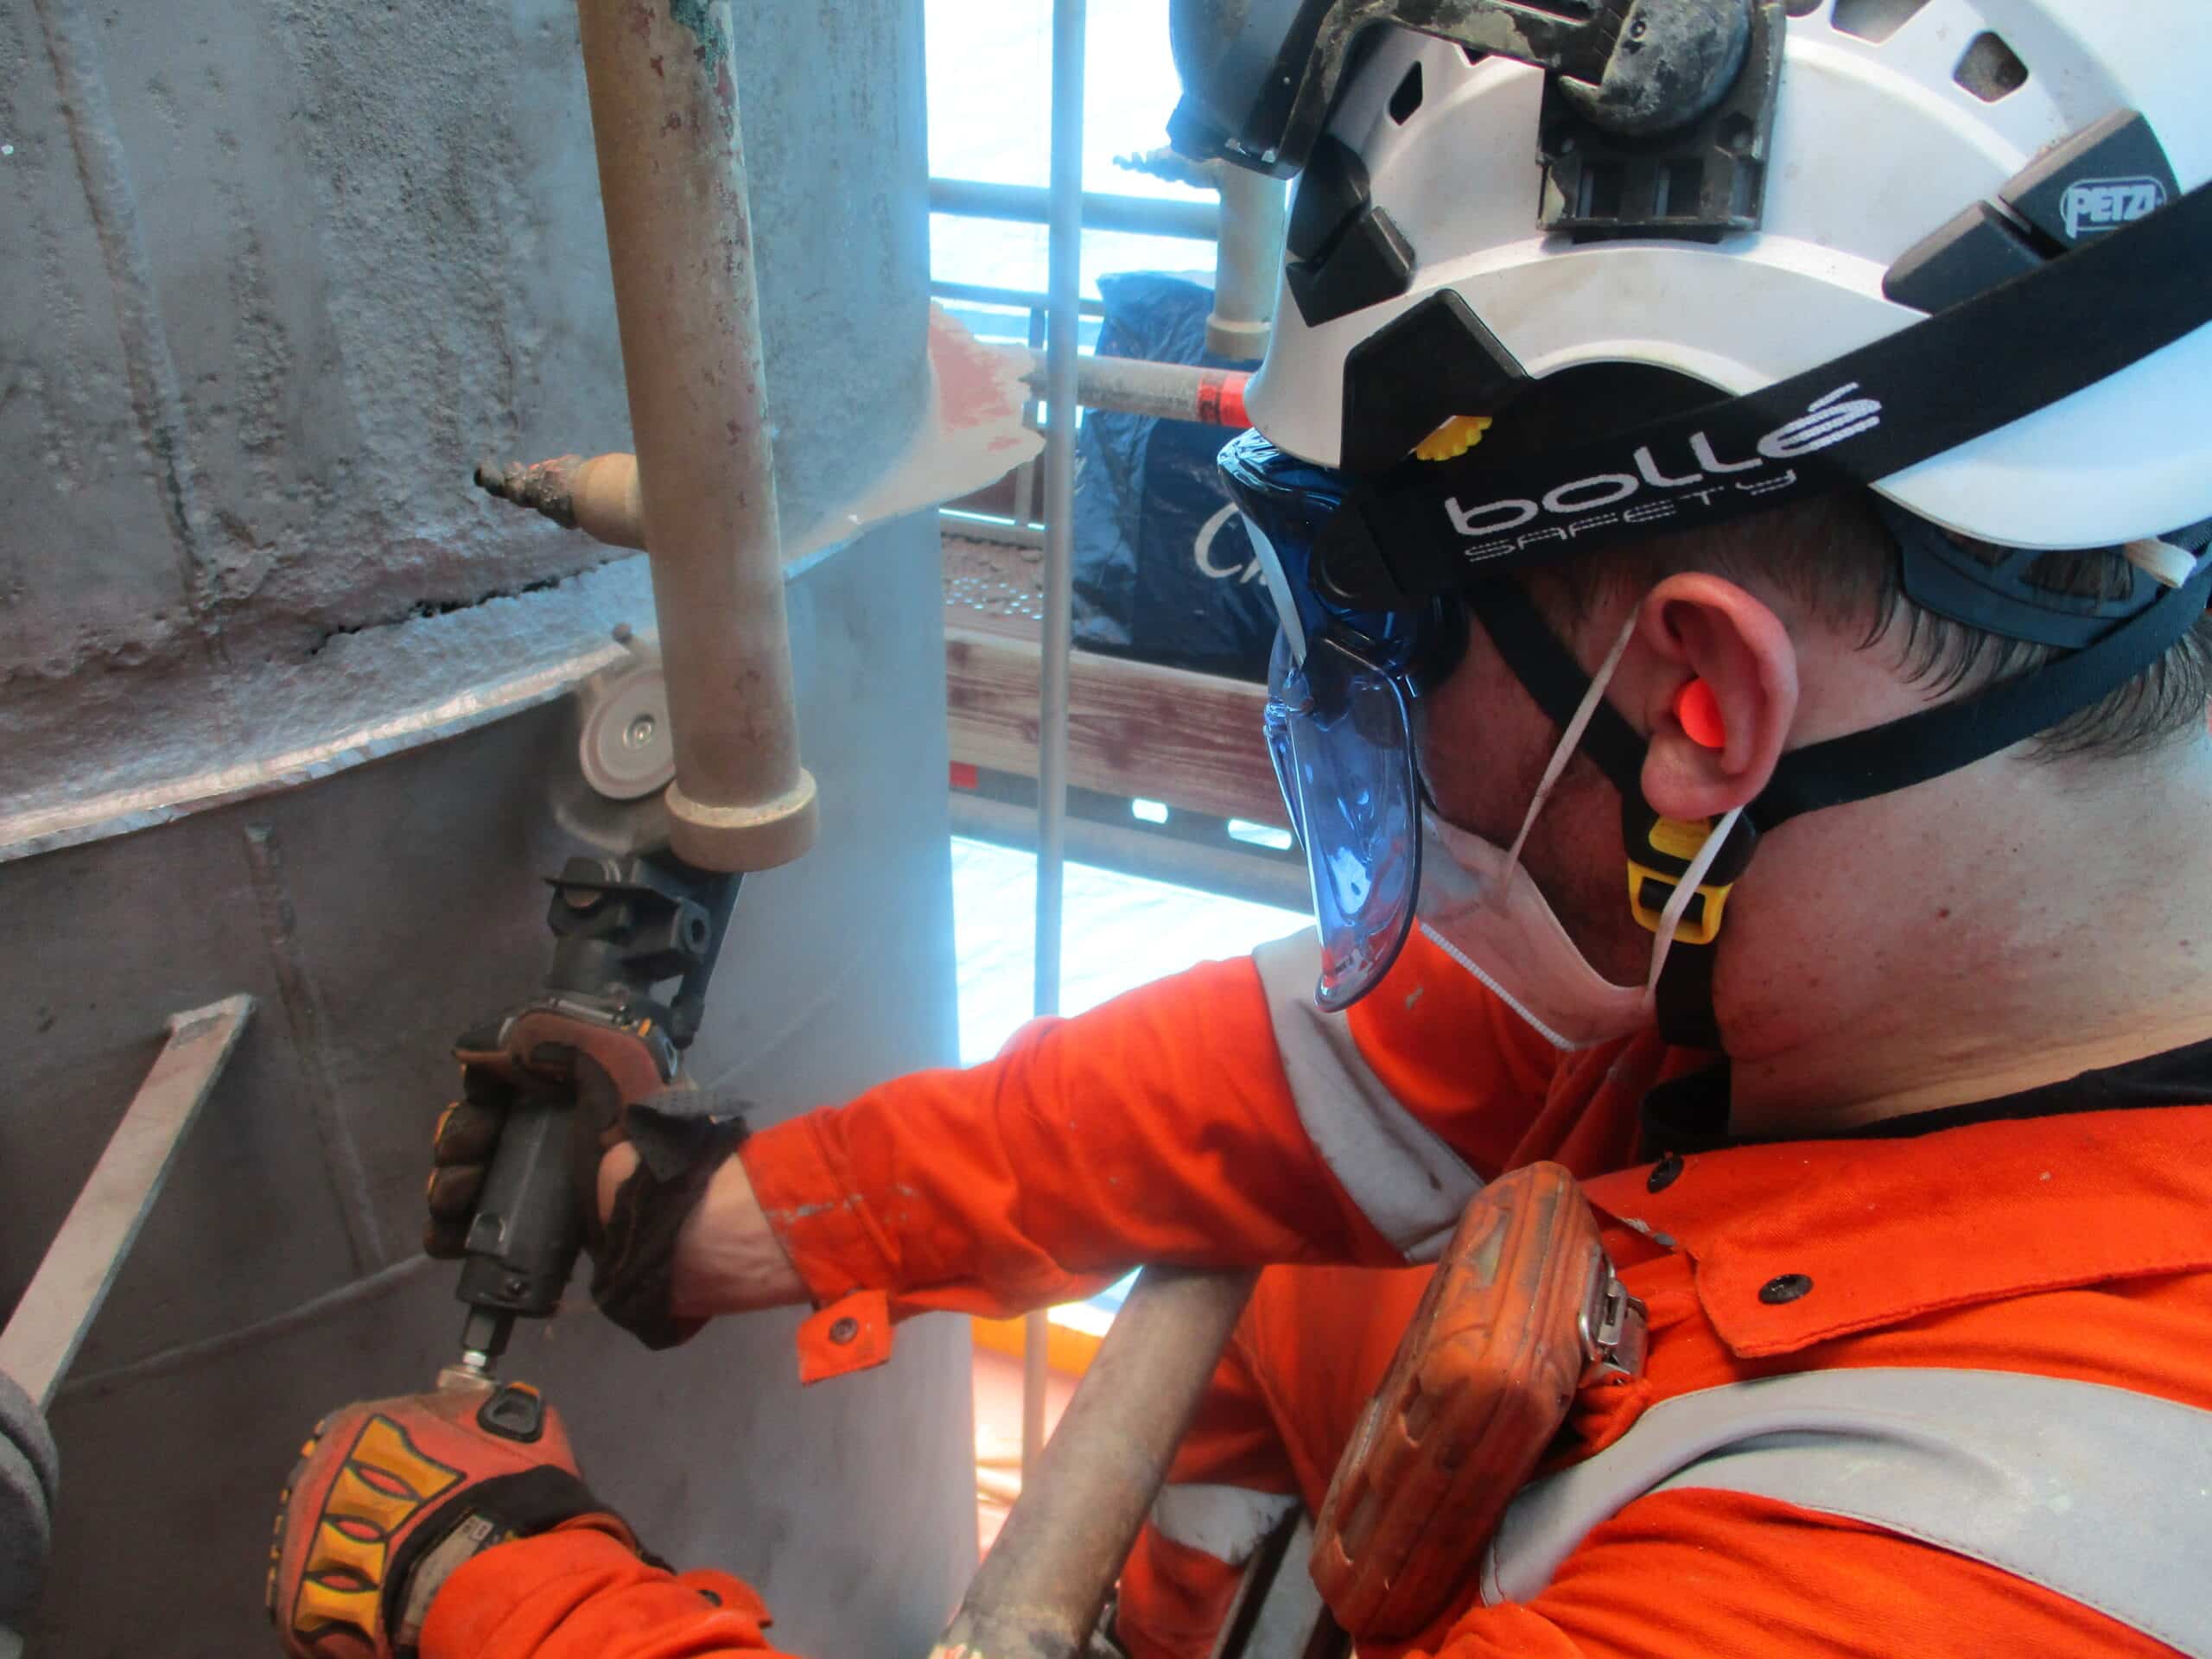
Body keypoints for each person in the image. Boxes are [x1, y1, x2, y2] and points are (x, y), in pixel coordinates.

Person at [276, 3, 2212, 1655]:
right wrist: (696, 1226)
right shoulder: (1874, 965)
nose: (1377, 704)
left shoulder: (1952, 1572)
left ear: (1698, 702)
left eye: (1394, 620)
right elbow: (1292, 1086)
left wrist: (497, 1590)